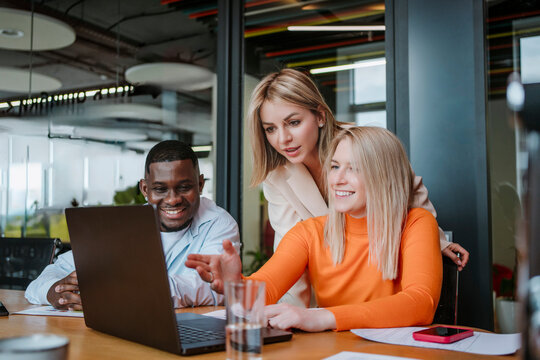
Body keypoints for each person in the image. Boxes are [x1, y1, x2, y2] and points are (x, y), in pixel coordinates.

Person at [247, 68, 468, 307]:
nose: (283, 139)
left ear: (320, 116)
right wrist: (293, 318)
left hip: (386, 280)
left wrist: (437, 242)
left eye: (293, 122)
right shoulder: (277, 177)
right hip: (334, 291)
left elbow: (409, 196)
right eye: (270, 128)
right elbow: (289, 257)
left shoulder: (364, 146)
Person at [186, 127, 443, 332]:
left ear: (384, 176)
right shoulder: (308, 232)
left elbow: (421, 303)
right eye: (335, 166)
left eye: (355, 168)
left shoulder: (416, 223)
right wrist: (235, 283)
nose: (338, 179)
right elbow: (266, 289)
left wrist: (323, 317)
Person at [25, 140, 240, 310]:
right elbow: (52, 274)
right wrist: (55, 291)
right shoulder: (121, 225)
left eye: (184, 187)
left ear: (200, 184)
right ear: (145, 189)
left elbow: (211, 287)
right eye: (160, 189)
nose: (173, 199)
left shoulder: (219, 224)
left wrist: (124, 290)